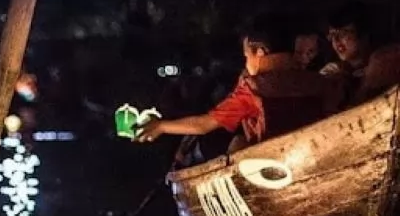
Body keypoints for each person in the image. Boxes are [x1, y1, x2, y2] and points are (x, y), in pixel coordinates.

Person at [139, 13, 341, 153]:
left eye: (246, 56)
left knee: (238, 143)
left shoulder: (253, 89)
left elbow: (203, 124)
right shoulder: (320, 81)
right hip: (316, 154)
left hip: (271, 168)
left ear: (260, 53)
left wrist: (161, 126)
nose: (246, 63)